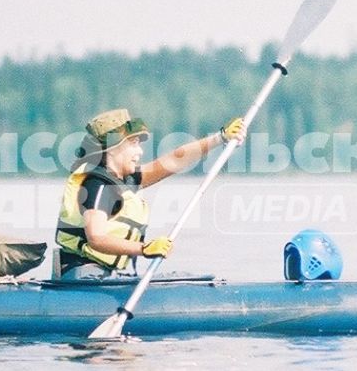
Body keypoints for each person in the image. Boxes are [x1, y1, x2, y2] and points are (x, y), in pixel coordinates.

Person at [54, 107, 244, 279]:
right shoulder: (99, 186)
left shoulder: (125, 180)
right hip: (82, 275)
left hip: (104, 275)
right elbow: (96, 238)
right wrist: (144, 249)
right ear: (113, 149)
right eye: (134, 143)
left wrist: (219, 138)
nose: (140, 151)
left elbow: (174, 160)